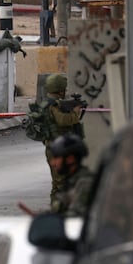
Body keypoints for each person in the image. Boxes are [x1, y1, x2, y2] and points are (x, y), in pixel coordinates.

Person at [41, 73, 85, 209]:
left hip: (53, 147)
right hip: (56, 149)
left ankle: (55, 207)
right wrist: (75, 113)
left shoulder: (47, 103)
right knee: (61, 183)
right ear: (60, 90)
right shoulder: (53, 105)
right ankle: (59, 210)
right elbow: (63, 120)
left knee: (57, 183)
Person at [49, 134, 94, 217]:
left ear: (70, 159)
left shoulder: (85, 183)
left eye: (56, 158)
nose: (53, 163)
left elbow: (76, 218)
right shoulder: (72, 181)